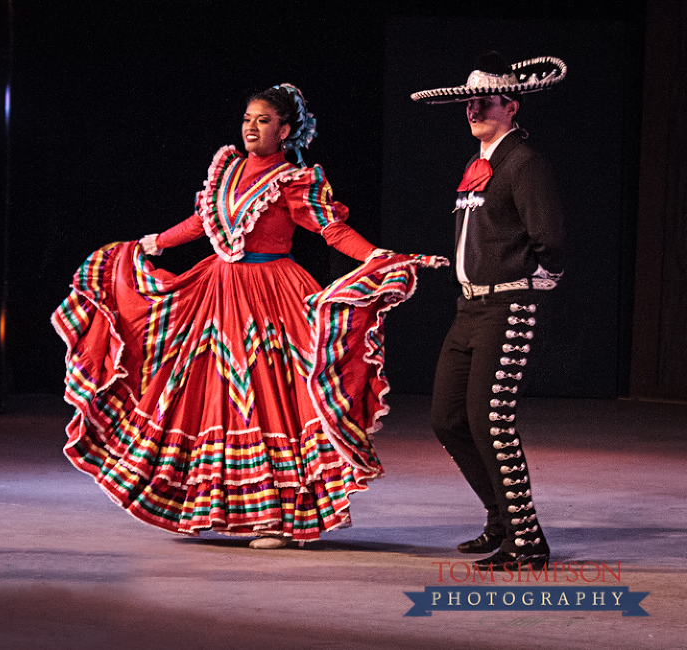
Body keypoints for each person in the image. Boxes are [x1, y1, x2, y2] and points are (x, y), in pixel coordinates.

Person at [52, 83, 448, 549]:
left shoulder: (293, 180)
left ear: (285, 130)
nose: (252, 128)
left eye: (263, 121)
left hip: (271, 294)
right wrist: (153, 243)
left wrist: (379, 256)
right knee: (208, 396)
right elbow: (202, 223)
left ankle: (275, 518)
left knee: (269, 397)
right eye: (247, 119)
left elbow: (332, 230)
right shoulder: (227, 169)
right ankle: (215, 506)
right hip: (217, 292)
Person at [411, 53, 567, 570]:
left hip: (507, 305)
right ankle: (500, 520)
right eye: (469, 103)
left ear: (512, 106)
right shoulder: (479, 165)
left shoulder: (524, 163)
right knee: (448, 418)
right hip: (469, 308)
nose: (474, 109)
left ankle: (528, 540)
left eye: (485, 101)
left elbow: (550, 239)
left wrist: (533, 282)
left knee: (490, 420)